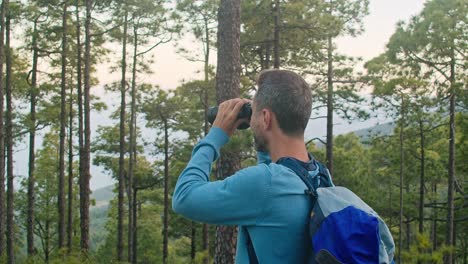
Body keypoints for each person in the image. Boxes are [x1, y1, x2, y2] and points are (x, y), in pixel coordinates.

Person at [172, 69, 316, 263]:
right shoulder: (318, 176)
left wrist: (215, 134)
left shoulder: (265, 184)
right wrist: (264, 138)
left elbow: (184, 197)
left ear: (266, 118)